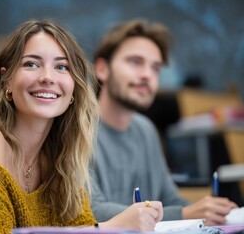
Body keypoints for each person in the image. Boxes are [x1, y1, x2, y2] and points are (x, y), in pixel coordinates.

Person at [0, 19, 163, 234]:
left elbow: (82, 224)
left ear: (74, 88)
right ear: (7, 79)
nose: (47, 77)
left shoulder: (61, 161)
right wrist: (108, 227)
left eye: (61, 67)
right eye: (31, 64)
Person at [90, 19, 238, 226]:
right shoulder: (76, 129)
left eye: (155, 68)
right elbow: (90, 210)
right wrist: (185, 214)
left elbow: (171, 199)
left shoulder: (146, 130)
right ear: (102, 70)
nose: (147, 75)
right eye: (135, 62)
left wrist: (207, 213)